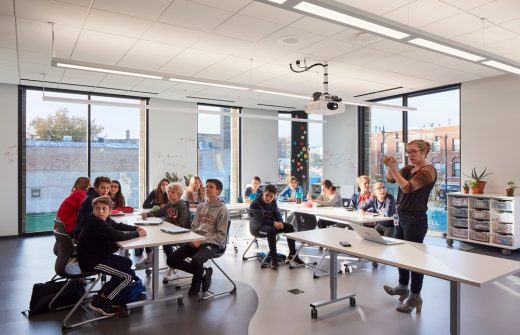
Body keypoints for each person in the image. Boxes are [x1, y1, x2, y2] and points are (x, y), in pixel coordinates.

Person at [382, 139, 437, 313]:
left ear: (424, 152)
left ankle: (415, 296)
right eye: (408, 152)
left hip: (415, 219)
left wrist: (393, 168)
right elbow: (391, 179)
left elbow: (407, 188)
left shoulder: (428, 171)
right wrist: (391, 167)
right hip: (402, 216)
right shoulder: (407, 169)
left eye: (413, 152)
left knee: (414, 259)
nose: (410, 155)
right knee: (402, 255)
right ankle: (403, 287)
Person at [77, 196, 146, 316]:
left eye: (104, 208)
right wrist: (137, 234)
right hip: (92, 261)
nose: (101, 211)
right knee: (128, 276)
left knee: (127, 263)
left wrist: (135, 228)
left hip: (99, 256)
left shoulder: (105, 219)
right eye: (97, 208)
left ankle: (105, 293)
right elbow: (117, 235)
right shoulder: (95, 222)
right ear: (93, 210)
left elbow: (118, 226)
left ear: (109, 211)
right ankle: (104, 301)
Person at [166, 179, 230, 296]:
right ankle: (205, 273)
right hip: (196, 240)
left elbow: (221, 236)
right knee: (171, 260)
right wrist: (192, 238)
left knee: (196, 260)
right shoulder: (201, 206)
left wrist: (202, 241)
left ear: (218, 191)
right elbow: (194, 227)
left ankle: (196, 283)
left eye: (211, 187)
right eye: (206, 186)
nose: (207, 189)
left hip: (213, 243)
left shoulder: (223, 209)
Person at [137, 182, 190, 279]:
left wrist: (167, 225)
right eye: (168, 192)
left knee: (166, 244)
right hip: (168, 231)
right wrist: (147, 214)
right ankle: (150, 260)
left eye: (172, 192)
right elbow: (158, 212)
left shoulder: (182, 206)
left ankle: (173, 268)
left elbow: (182, 225)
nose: (169, 194)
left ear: (179, 194)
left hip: (180, 235)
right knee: (149, 234)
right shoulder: (169, 204)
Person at [250, 184, 305, 269]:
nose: (268, 198)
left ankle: (293, 255)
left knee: (289, 227)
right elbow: (259, 221)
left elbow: (277, 213)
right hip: (258, 226)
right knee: (271, 230)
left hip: (270, 224)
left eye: (271, 197)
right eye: (267, 195)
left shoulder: (273, 201)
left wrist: (280, 222)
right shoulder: (255, 203)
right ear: (263, 193)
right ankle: (274, 258)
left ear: (274, 196)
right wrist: (273, 223)